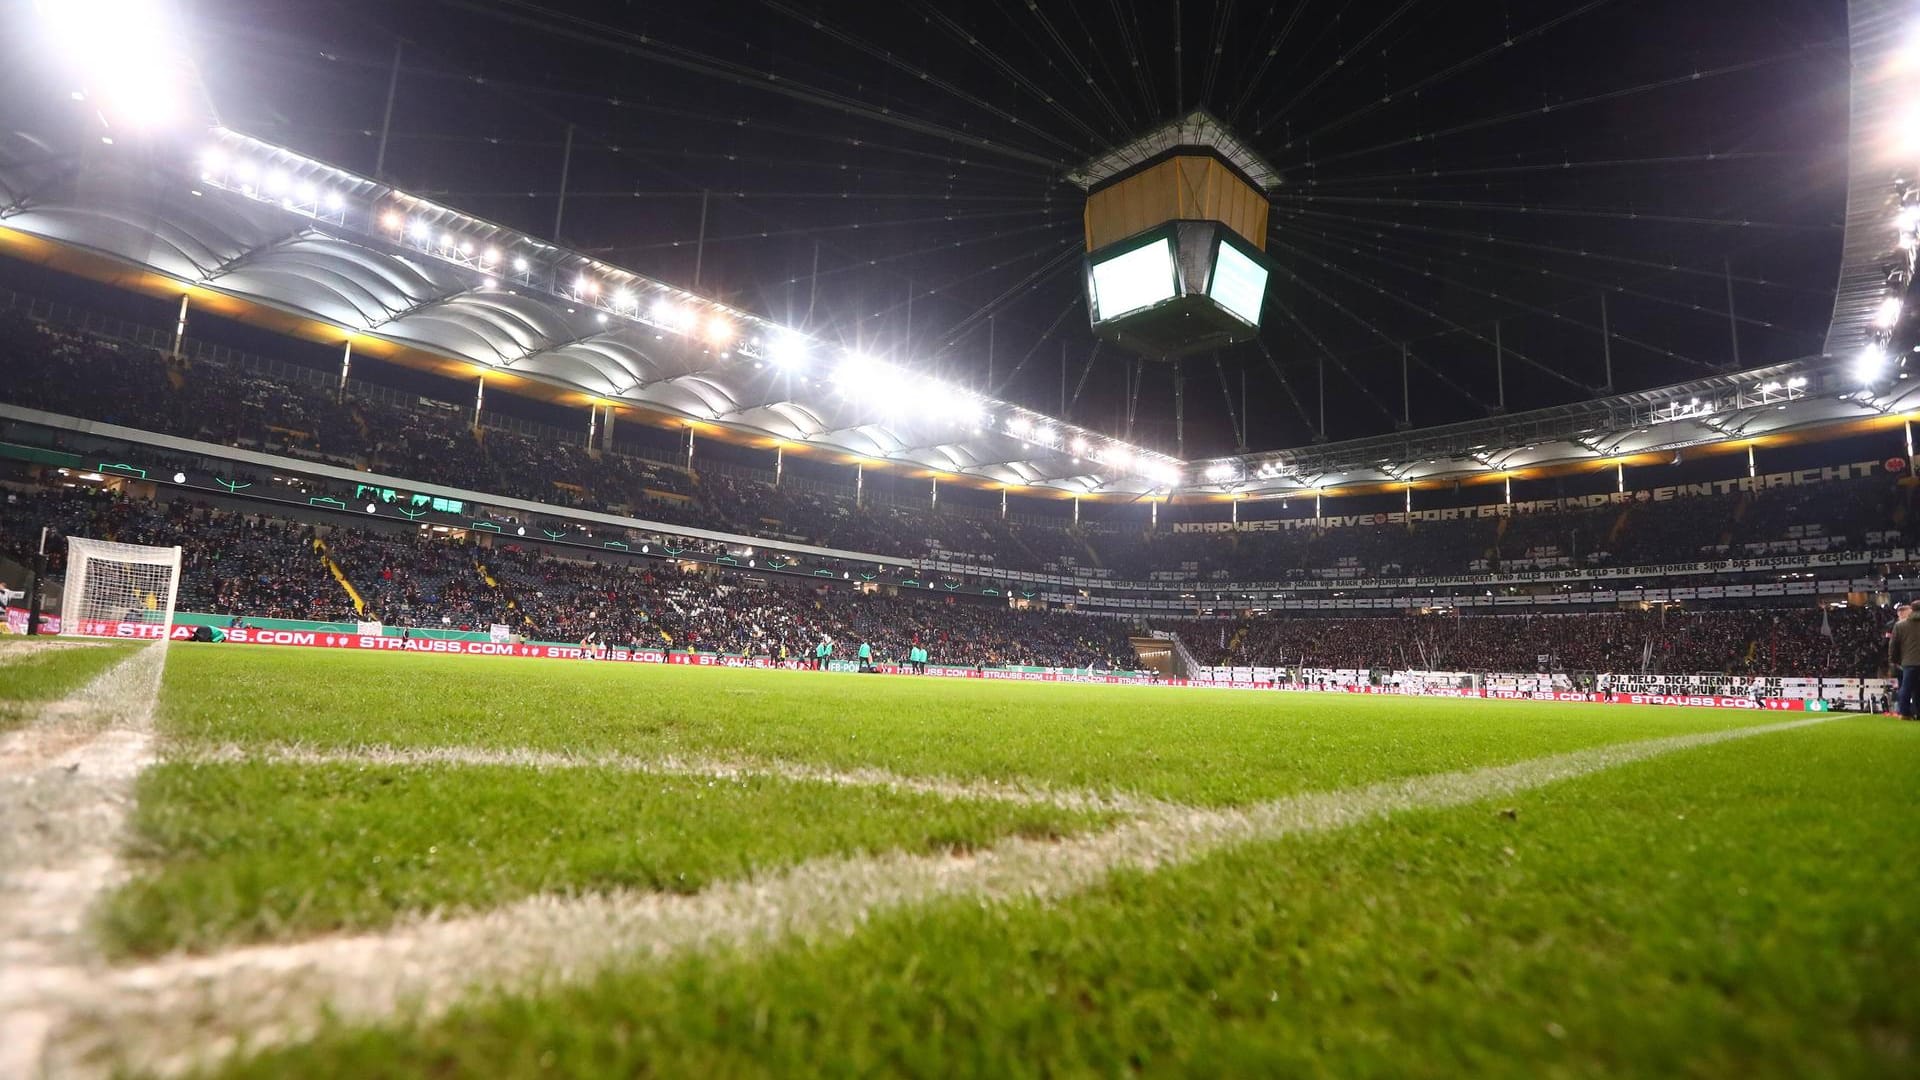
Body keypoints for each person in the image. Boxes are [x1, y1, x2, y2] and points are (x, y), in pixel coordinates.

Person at [1889, 603, 1920, 720]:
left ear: (1912, 610)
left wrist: (1894, 660)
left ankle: (1904, 713)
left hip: (1908, 662)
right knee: (1917, 689)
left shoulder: (1900, 625)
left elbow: (1893, 645)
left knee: (1906, 688)